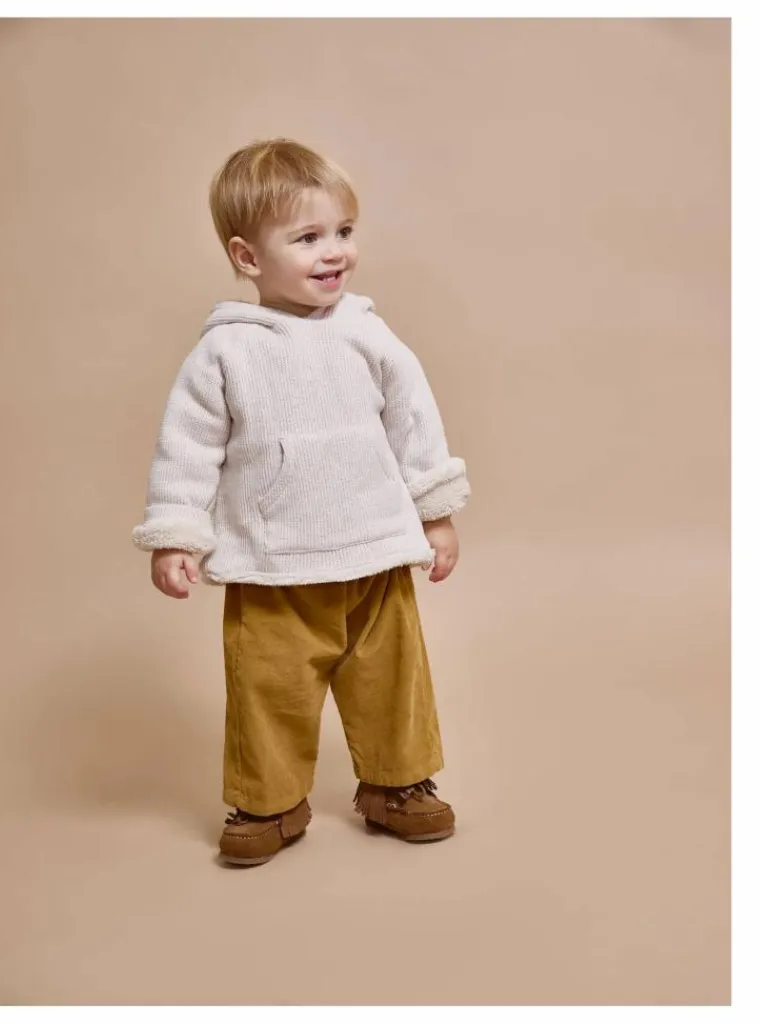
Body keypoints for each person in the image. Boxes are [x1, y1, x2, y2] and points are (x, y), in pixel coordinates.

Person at [132, 138, 471, 866]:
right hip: (272, 564)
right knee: (268, 688)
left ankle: (398, 785)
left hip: (375, 552)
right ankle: (269, 800)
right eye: (308, 237)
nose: (335, 252)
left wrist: (435, 513)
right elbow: (188, 448)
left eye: (343, 231)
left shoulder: (368, 333)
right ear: (248, 256)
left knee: (392, 681)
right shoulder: (226, 352)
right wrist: (177, 533)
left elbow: (414, 422)